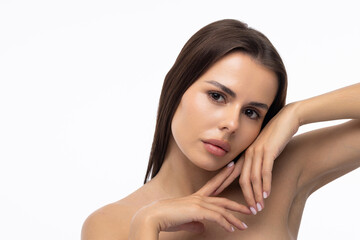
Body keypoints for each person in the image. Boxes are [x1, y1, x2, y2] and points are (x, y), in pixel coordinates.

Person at [81, 19, 360, 239]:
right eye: (217, 96)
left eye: (252, 112)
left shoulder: (280, 176)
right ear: (177, 89)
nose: (232, 124)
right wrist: (147, 223)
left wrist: (295, 114)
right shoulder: (109, 223)